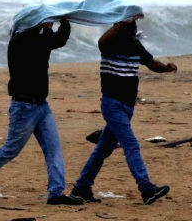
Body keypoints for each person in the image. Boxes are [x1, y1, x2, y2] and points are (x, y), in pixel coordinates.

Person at [0, 18, 84, 205]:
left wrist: (64, 23)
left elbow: (55, 41)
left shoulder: (34, 38)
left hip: (41, 105)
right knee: (10, 150)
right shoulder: (21, 42)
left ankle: (56, 193)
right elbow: (50, 42)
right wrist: (51, 27)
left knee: (53, 149)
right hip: (24, 107)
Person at [70, 15, 176, 205]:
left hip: (127, 106)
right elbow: (102, 40)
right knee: (131, 145)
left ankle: (81, 188)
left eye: (134, 28)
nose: (134, 31)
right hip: (112, 105)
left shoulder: (135, 45)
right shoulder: (109, 46)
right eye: (130, 28)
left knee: (102, 149)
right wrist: (122, 22)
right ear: (120, 28)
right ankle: (146, 188)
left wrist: (167, 68)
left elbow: (151, 64)